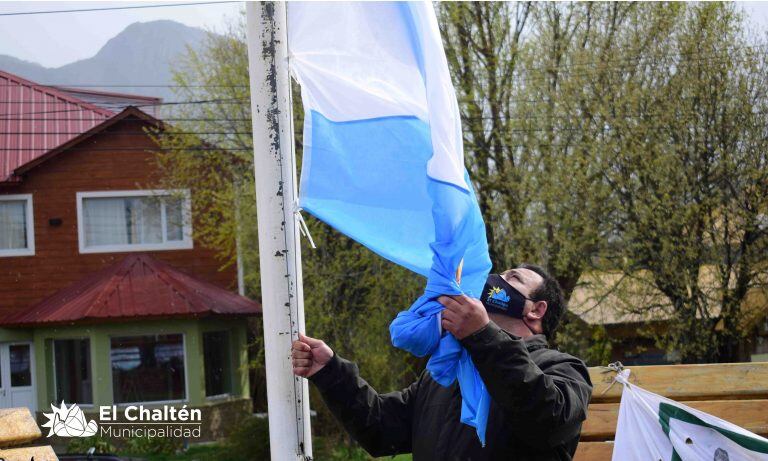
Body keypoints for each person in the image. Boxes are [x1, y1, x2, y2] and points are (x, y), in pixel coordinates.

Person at [292, 264, 593, 460]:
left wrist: (482, 336)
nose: (495, 281)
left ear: (536, 310)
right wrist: (331, 373)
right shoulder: (446, 373)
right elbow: (382, 429)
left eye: (512, 278)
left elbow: (547, 421)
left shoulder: (563, 369)